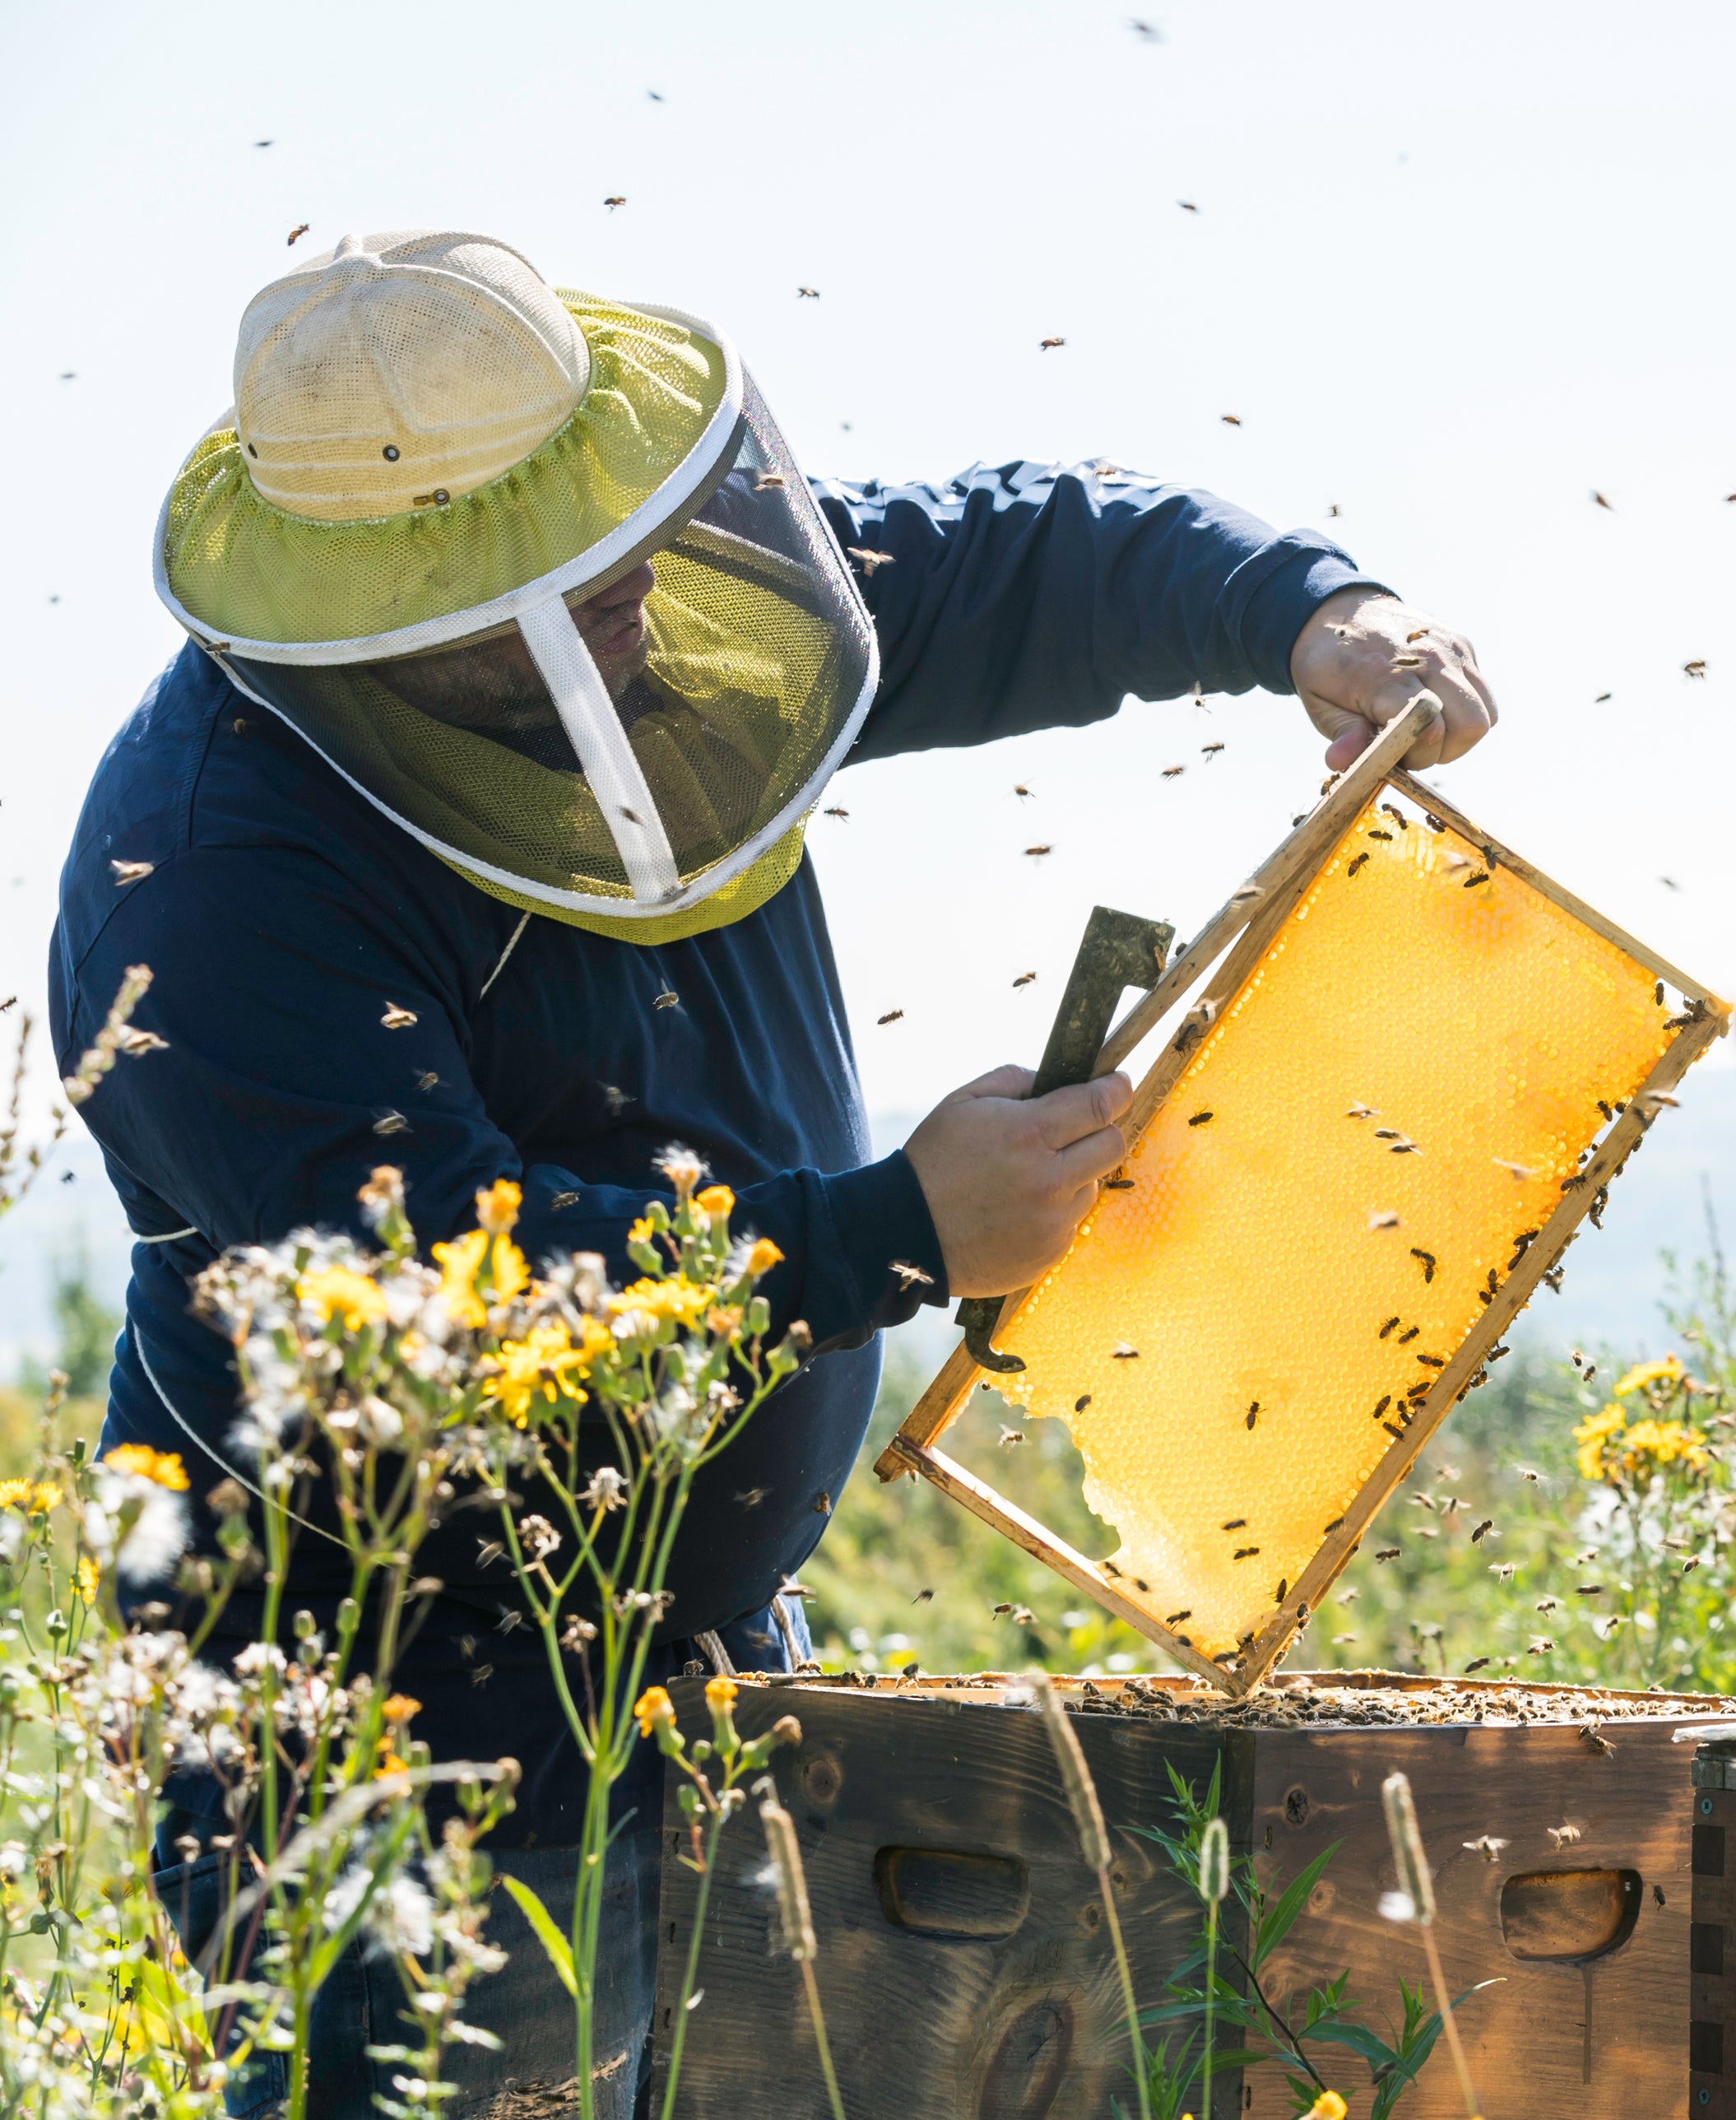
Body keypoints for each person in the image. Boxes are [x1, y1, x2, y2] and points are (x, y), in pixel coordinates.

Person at [49, 227, 1497, 2115]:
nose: (629, 607)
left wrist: (1304, 606)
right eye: (536, 597)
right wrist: (889, 1235)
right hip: (374, 1709)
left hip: (711, 1654)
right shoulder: (208, 880)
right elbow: (423, 1295)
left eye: (611, 542)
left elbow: (1000, 553)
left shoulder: (640, 601)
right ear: (374, 620)